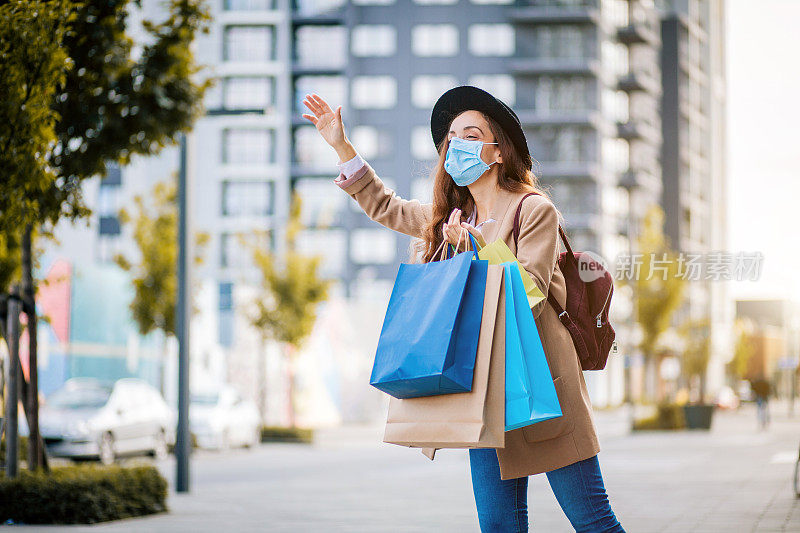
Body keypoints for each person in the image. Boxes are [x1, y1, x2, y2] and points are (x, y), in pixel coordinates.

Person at [301, 85, 625, 533]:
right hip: (486, 395)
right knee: (499, 528)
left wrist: (474, 247)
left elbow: (528, 292)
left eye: (470, 135)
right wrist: (341, 144)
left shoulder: (534, 210)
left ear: (497, 152)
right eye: (451, 138)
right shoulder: (449, 216)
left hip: (544, 389)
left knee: (593, 522)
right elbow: (385, 206)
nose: (456, 145)